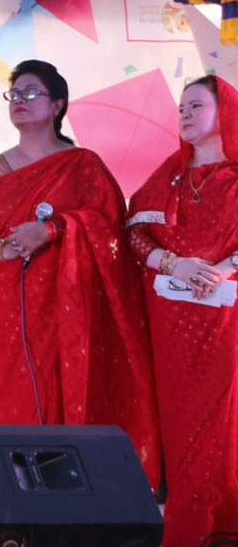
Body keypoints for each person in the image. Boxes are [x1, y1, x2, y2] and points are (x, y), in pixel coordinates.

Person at [0, 59, 161, 485]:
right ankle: (10, 503)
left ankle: (67, 502)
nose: (19, 101)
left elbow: (108, 226)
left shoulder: (82, 165)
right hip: (1, 315)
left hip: (64, 317)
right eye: (14, 94)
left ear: (58, 104)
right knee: (3, 403)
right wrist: (0, 248)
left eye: (30, 92)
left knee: (60, 400)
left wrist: (51, 229)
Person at [126, 75, 238, 547]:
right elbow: (133, 234)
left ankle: (212, 525)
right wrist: (174, 263)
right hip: (170, 324)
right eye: (181, 108)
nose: (185, 115)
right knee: (179, 422)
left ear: (225, 112)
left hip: (226, 321)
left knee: (223, 420)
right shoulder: (168, 176)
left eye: (197, 106)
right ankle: (190, 524)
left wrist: (226, 269)